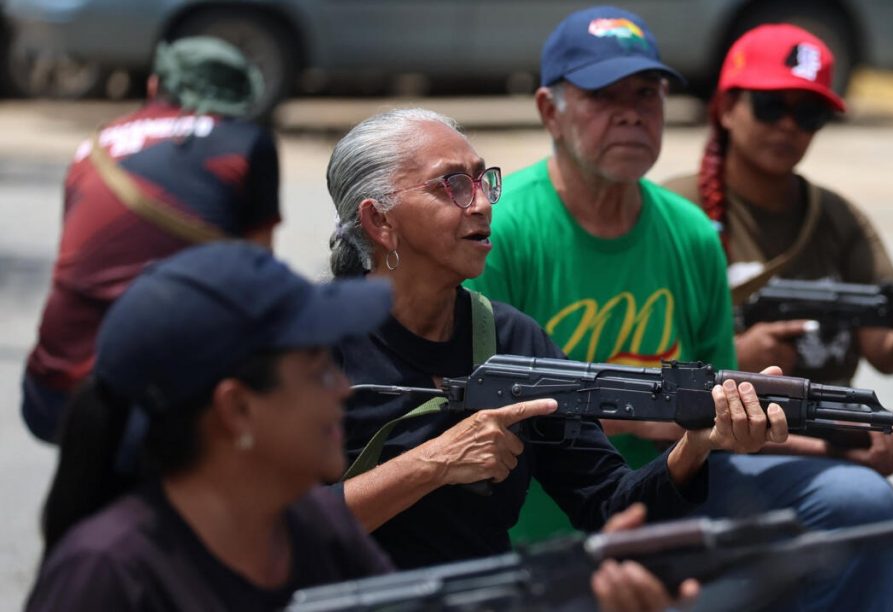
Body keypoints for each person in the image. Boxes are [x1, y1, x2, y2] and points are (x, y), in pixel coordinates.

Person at [466, 6, 893, 611]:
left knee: (860, 504)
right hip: (538, 511)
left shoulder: (692, 233)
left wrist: (851, 441)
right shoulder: (500, 231)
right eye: (604, 94)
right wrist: (643, 416)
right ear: (550, 110)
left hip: (677, 488)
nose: (631, 111)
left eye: (647, 94)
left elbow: (723, 423)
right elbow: (474, 404)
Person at [326, 107, 784, 608]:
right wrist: (433, 463)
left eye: (482, 181)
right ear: (380, 222)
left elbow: (607, 502)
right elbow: (266, 529)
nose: (481, 204)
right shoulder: (307, 347)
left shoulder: (509, 336)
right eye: (451, 185)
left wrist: (696, 446)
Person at [25, 242, 395, 610]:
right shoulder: (107, 573)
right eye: (319, 374)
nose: (343, 389)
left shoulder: (312, 519)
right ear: (237, 408)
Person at [662, 23, 893, 386]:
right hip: (724, 436)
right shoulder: (675, 212)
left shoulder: (839, 217)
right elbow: (642, 358)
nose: (789, 125)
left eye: (809, 113)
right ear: (727, 108)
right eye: (771, 106)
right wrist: (734, 359)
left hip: (833, 430)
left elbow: (883, 348)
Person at [22, 36, 281, 443]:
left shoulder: (92, 146)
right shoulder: (246, 145)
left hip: (52, 388)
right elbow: (257, 281)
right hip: (163, 398)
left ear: (154, 86)